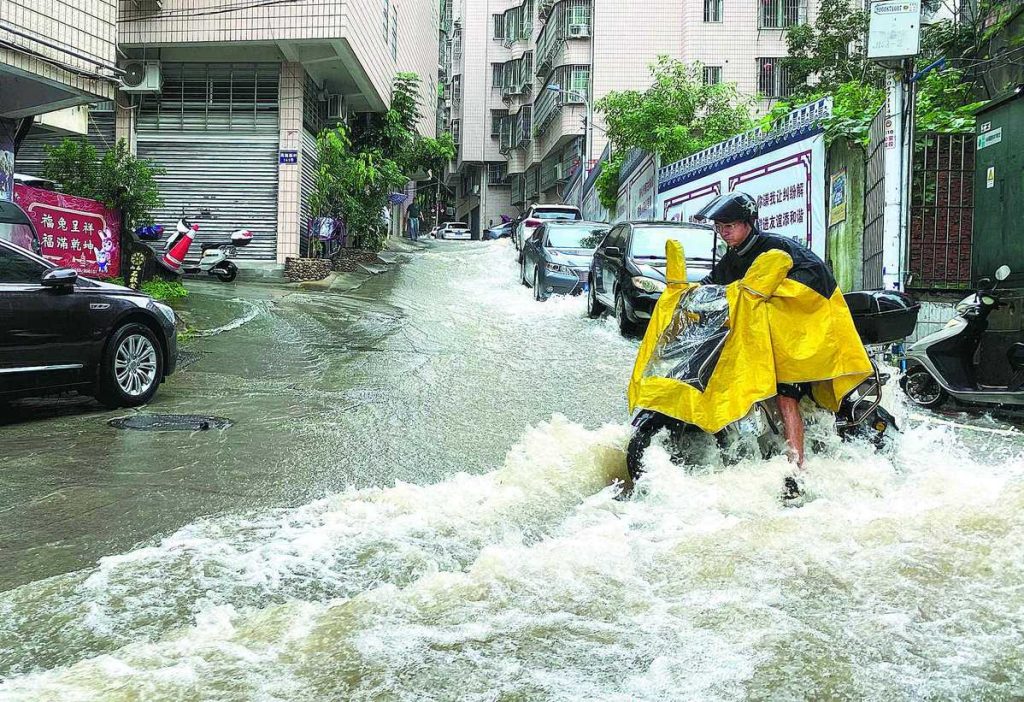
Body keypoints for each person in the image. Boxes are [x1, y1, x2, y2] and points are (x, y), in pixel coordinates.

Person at [693, 191, 846, 493]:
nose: (724, 232)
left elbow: (806, 291)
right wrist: (685, 294)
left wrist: (773, 299)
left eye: (730, 226)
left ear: (748, 223)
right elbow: (714, 284)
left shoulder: (776, 249)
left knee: (786, 396)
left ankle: (797, 468)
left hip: (799, 339)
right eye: (719, 227)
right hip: (764, 339)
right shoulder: (734, 255)